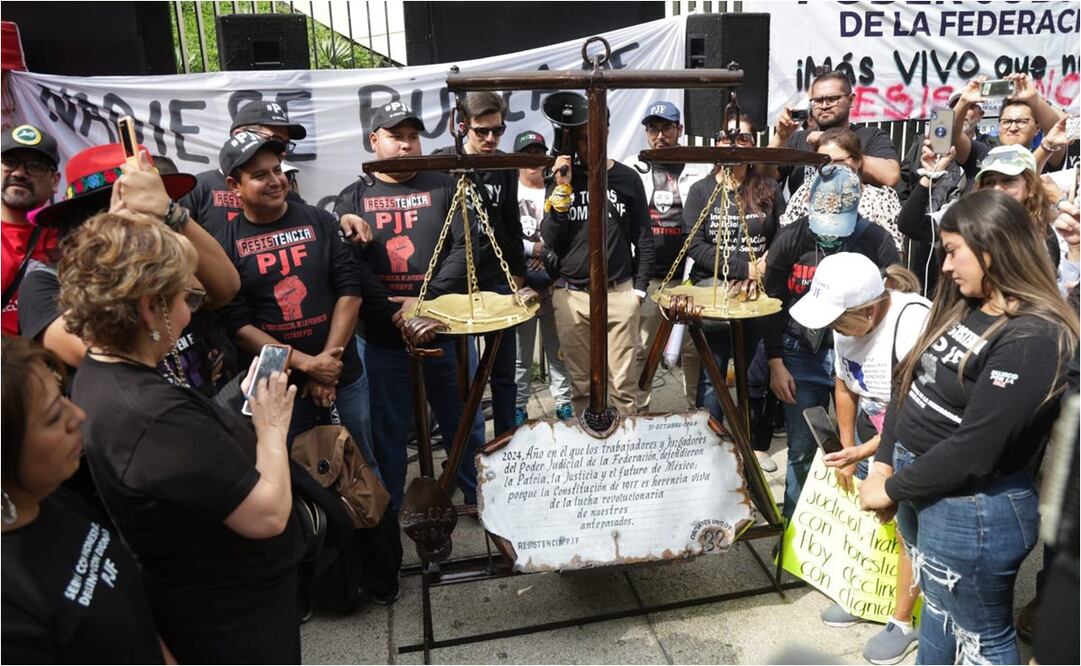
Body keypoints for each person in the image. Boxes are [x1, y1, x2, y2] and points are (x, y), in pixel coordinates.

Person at [62, 212, 305, 663]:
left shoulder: (104, 370)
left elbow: (190, 460)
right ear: (149, 308)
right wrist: (271, 425)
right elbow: (268, 515)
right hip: (232, 622)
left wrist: (235, 402)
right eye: (184, 298)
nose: (190, 311)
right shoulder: (149, 414)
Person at [860, 189, 1079, 664]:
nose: (944, 266)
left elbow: (975, 450)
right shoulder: (965, 300)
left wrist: (893, 487)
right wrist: (882, 463)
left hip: (972, 509)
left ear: (993, 248)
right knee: (938, 612)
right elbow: (908, 378)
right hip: (921, 485)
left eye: (953, 251)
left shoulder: (1036, 335)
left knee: (981, 636)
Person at [333, 101, 486, 511]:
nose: (405, 145)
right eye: (395, 136)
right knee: (387, 433)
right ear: (374, 140)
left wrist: (426, 298)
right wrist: (393, 310)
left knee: (464, 424)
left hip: (446, 331)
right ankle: (397, 511)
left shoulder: (445, 185)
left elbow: (468, 246)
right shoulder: (353, 197)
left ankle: (479, 500)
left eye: (412, 136)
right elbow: (350, 266)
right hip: (384, 338)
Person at [788, 254, 930, 664]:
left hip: (910, 440)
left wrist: (868, 452)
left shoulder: (910, 323)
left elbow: (915, 408)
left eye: (838, 321)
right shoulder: (847, 324)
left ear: (868, 310)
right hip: (872, 432)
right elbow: (845, 385)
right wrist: (847, 449)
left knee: (907, 529)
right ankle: (866, 594)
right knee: (870, 519)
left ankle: (903, 621)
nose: (834, 330)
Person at [2, 336, 168, 664]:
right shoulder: (11, 614)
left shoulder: (54, 500)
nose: (77, 414)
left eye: (64, 396)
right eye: (52, 417)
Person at [216, 131, 375, 468]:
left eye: (277, 170)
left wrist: (325, 369)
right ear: (234, 185)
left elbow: (350, 293)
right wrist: (306, 364)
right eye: (260, 175)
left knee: (360, 469)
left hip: (341, 375)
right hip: (276, 386)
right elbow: (239, 326)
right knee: (292, 477)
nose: (275, 181)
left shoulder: (319, 220)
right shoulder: (226, 242)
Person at [762, 164, 900, 519]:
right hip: (800, 354)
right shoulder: (790, 238)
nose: (829, 238)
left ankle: (855, 538)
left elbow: (893, 299)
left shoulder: (877, 240)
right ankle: (795, 532)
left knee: (863, 455)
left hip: (861, 357)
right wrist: (775, 362)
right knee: (803, 447)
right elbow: (771, 303)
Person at [541, 94, 655, 416]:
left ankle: (625, 454)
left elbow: (643, 238)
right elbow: (549, 238)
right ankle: (588, 458)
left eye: (595, 132)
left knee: (622, 387)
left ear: (606, 129)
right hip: (572, 295)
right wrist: (562, 187)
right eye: (580, 136)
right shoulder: (562, 178)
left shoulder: (626, 178)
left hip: (618, 292)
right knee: (581, 386)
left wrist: (639, 290)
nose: (587, 142)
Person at [682, 117, 783, 472]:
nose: (735, 143)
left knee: (753, 374)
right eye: (727, 136)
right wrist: (743, 269)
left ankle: (752, 446)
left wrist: (763, 268)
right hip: (714, 288)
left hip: (757, 292)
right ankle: (706, 447)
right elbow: (695, 245)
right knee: (713, 375)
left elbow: (780, 237)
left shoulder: (767, 188)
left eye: (743, 137)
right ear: (717, 142)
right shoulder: (700, 190)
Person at [431, 91, 525, 436]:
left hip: (496, 280)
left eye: (497, 131)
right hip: (455, 284)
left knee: (503, 374)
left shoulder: (503, 166)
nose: (490, 139)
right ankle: (467, 448)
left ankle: (505, 442)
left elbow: (511, 223)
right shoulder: (444, 165)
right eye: (481, 131)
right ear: (462, 128)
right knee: (463, 376)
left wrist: (517, 276)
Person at [624, 101, 710, 410]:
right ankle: (638, 411)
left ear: (679, 130)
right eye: (653, 129)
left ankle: (695, 412)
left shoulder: (700, 167)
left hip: (690, 276)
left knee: (692, 349)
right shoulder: (633, 166)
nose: (660, 136)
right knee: (642, 348)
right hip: (648, 276)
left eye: (667, 128)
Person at [898, 143, 1066, 295]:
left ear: (1030, 187)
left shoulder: (1047, 234)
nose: (997, 189)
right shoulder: (965, 216)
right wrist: (930, 176)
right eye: (990, 182)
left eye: (1008, 181)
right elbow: (911, 225)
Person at [180, 99, 307, 240]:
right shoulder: (198, 188)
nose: (283, 151)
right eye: (275, 139)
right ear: (239, 135)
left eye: (286, 143)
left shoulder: (284, 190)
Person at [513, 130, 574, 424]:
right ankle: (518, 404)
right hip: (521, 282)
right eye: (528, 154)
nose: (534, 161)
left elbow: (565, 231)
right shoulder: (511, 190)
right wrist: (533, 247)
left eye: (539, 154)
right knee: (520, 353)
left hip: (553, 279)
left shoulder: (555, 188)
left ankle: (563, 401)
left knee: (557, 348)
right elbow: (504, 235)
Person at [771, 70, 901, 196]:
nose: (824, 105)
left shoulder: (871, 136)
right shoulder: (798, 139)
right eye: (817, 100)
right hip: (804, 217)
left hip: (854, 216)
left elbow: (891, 177)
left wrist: (831, 143)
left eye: (832, 99)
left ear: (851, 100)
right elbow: (763, 179)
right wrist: (780, 137)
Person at [780, 127, 903, 252]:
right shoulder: (804, 194)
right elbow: (784, 247)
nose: (831, 167)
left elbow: (894, 261)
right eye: (824, 161)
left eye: (839, 161)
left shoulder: (880, 201)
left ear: (858, 161)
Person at [1, 124, 60, 336]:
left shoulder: (68, 242)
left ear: (55, 181)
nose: (19, 173)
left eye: (35, 166)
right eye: (9, 162)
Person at [951, 73, 1068, 179]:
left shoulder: (1047, 154)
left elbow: (1056, 131)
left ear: (1037, 128)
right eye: (1006, 122)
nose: (1013, 128)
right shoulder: (983, 153)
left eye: (1021, 121)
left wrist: (1034, 98)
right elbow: (952, 134)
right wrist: (964, 101)